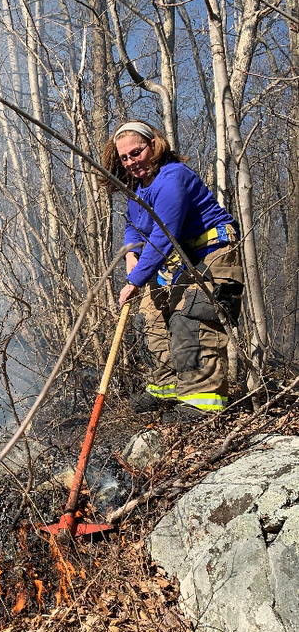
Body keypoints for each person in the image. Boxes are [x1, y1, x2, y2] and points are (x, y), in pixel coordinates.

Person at [100, 120, 244, 422]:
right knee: (149, 313)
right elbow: (134, 225)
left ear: (154, 144)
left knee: (189, 316)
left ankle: (202, 400)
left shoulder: (171, 179)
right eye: (125, 157)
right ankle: (165, 387)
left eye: (136, 152)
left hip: (212, 251)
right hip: (182, 259)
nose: (131, 162)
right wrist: (132, 255)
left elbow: (164, 236)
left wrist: (136, 279)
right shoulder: (138, 187)